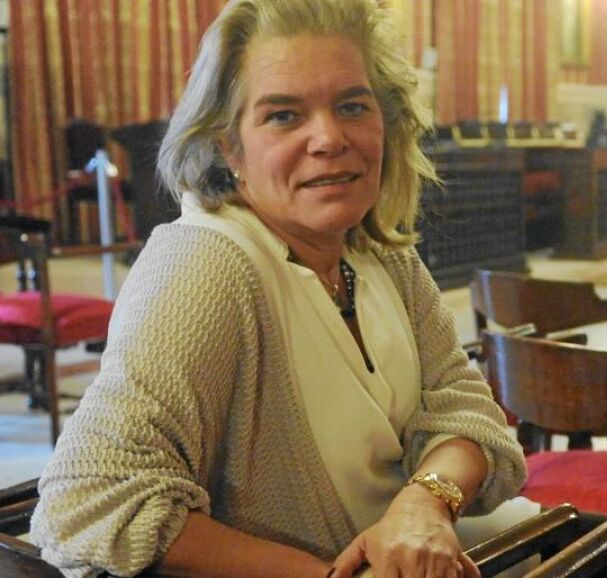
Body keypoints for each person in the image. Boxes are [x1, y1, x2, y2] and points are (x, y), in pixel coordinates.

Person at [29, 1, 528, 577]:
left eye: (352, 106)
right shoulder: (205, 266)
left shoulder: (381, 253)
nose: (329, 138)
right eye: (284, 115)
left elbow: (464, 407)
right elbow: (90, 498)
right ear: (228, 145)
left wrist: (424, 503)